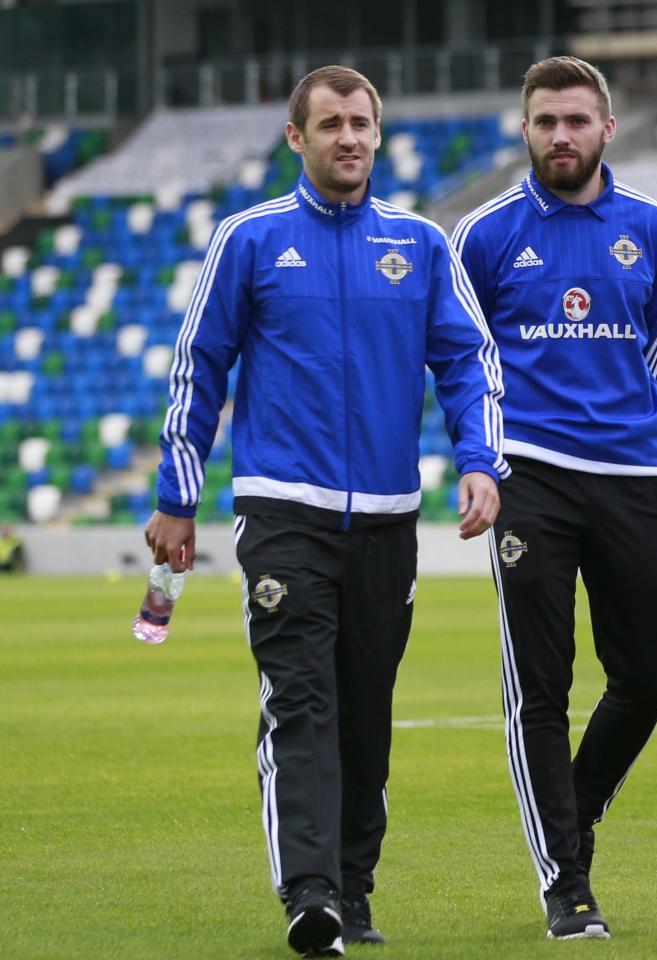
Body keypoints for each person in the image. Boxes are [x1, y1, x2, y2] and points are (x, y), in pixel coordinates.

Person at [143, 65, 506, 958]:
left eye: (363, 124)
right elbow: (201, 365)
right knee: (300, 701)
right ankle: (310, 895)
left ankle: (354, 889)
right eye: (332, 124)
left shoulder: (421, 245)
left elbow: (467, 359)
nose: (349, 138)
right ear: (296, 138)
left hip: (387, 519)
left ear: (379, 137)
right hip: (283, 514)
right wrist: (175, 499)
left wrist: (480, 462)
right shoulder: (251, 239)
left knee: (366, 711)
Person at [452, 56, 657, 942]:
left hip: (631, 475)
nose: (561, 136)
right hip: (531, 478)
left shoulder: (653, 230)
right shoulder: (484, 234)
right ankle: (566, 880)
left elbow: (649, 346)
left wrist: (619, 435)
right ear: (525, 130)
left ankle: (573, 812)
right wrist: (490, 456)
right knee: (542, 684)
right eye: (546, 121)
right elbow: (467, 362)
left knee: (651, 672)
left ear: (607, 127)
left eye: (577, 121)